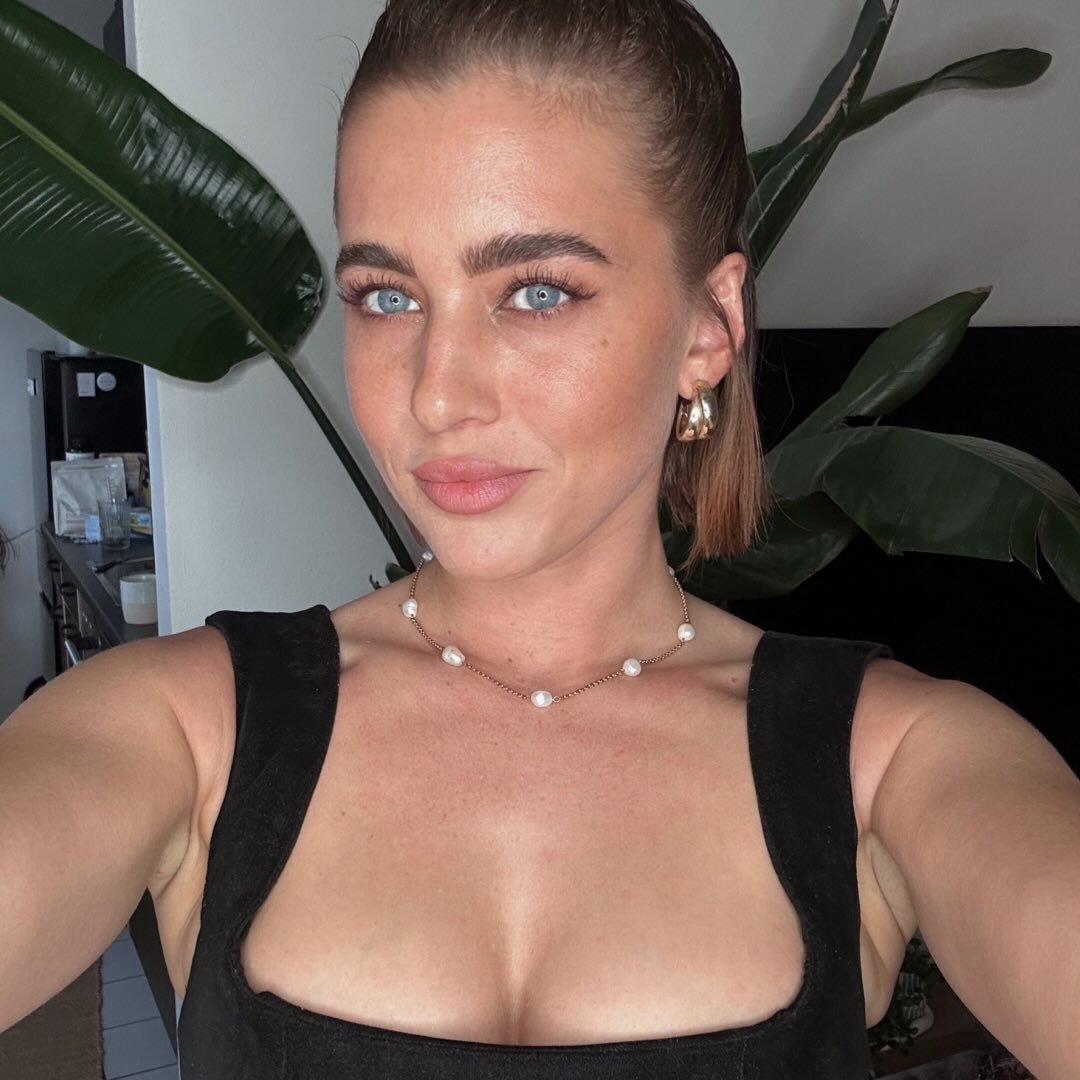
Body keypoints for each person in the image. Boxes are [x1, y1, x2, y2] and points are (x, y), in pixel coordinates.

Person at [1, 1, 1077, 1077]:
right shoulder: (187, 731)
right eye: (387, 297)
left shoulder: (894, 762)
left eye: (537, 291)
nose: (436, 396)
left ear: (709, 329)